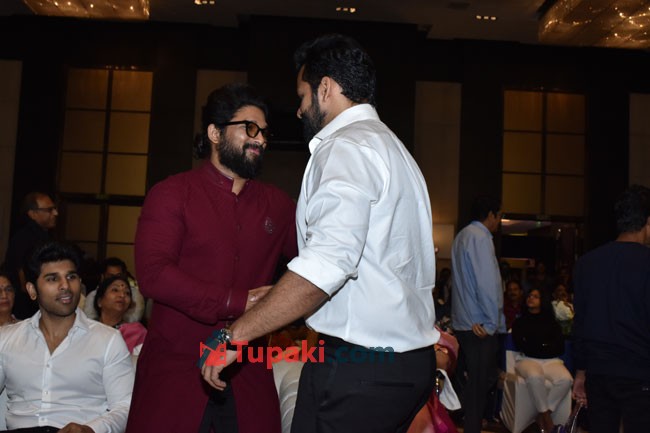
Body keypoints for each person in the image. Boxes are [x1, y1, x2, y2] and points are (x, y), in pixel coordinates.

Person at [201, 34, 438, 433]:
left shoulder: (345, 147)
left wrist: (235, 335)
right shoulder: (394, 148)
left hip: (361, 365)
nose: (299, 110)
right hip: (407, 361)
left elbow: (327, 263)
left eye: (302, 96)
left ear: (325, 88)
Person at [125, 83, 297, 433]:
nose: (261, 140)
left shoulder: (279, 206)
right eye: (249, 128)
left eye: (264, 132)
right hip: (176, 373)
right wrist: (239, 301)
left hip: (249, 373)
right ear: (215, 133)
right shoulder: (172, 193)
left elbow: (314, 268)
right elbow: (154, 274)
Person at [0, 241, 134, 433]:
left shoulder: (108, 340)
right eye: (53, 279)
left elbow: (125, 406)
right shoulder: (6, 339)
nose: (65, 286)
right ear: (32, 290)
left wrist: (91, 429)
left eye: (71, 277)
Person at [572, 184, 650, 432]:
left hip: (598, 371)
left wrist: (581, 373)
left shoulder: (587, 263)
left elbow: (580, 323)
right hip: (640, 370)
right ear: (647, 222)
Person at [450, 195, 505, 433]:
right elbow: (487, 284)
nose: (499, 221)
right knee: (479, 387)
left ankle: (451, 408)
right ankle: (452, 410)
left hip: (465, 322)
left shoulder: (461, 236)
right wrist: (492, 323)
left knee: (480, 381)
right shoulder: (480, 238)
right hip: (480, 325)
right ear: (491, 214)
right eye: (499, 215)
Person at [512, 288, 573, 433]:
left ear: (542, 301)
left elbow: (559, 347)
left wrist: (537, 345)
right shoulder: (520, 322)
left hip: (551, 361)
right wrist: (544, 346)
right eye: (529, 295)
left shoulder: (552, 322)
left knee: (566, 379)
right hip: (527, 360)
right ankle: (546, 417)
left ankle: (542, 415)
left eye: (535, 296)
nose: (531, 298)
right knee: (535, 376)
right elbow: (521, 345)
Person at [3, 191, 58, 319]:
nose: (55, 213)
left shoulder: (45, 236)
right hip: (28, 306)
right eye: (49, 210)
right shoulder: (23, 238)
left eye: (54, 209)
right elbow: (19, 273)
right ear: (33, 214)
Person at [93, 274, 147, 355]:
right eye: (115, 290)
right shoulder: (86, 329)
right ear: (99, 301)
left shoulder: (136, 332)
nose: (122, 295)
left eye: (127, 293)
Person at [84, 257, 145, 324]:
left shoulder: (134, 294)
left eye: (119, 275)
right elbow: (89, 320)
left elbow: (134, 318)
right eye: (111, 276)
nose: (122, 295)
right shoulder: (93, 295)